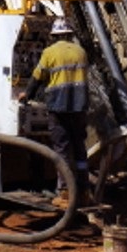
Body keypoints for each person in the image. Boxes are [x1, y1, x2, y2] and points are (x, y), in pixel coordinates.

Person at [18, 16, 90, 207]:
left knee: (62, 148)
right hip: (79, 106)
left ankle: (65, 192)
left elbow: (37, 76)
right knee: (80, 148)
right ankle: (83, 190)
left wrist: (26, 95)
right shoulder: (81, 51)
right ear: (69, 34)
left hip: (59, 106)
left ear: (54, 36)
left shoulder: (50, 52)